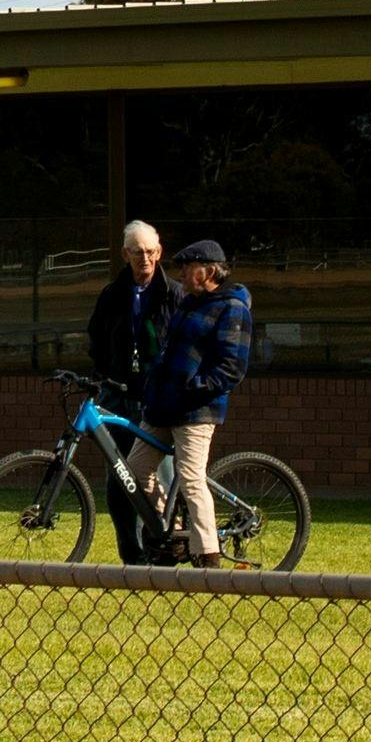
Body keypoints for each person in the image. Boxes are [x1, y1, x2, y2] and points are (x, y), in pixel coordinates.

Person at [142, 239, 256, 570]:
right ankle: (176, 535)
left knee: (191, 476)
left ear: (208, 271)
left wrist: (194, 388)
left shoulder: (232, 308)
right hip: (164, 405)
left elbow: (231, 368)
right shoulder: (189, 303)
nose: (181, 274)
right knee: (134, 470)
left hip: (196, 410)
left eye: (187, 268)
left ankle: (208, 557)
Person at [85, 222, 168, 401]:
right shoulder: (111, 294)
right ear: (125, 254)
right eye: (138, 252)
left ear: (159, 252)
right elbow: (97, 337)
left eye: (150, 251)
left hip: (157, 389)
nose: (145, 258)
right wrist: (104, 374)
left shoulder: (173, 294)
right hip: (117, 388)